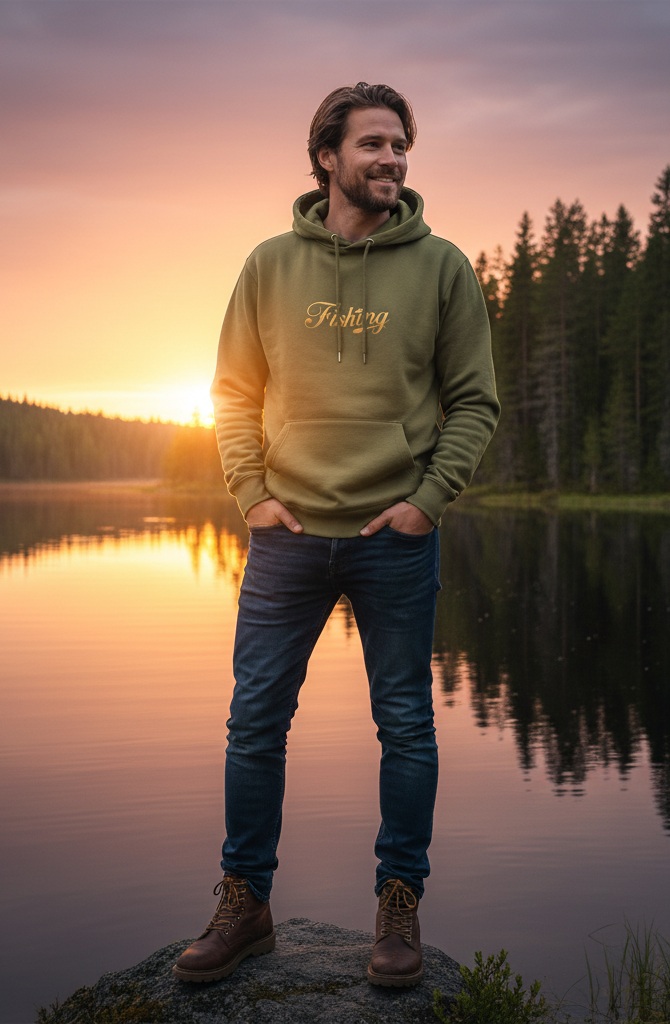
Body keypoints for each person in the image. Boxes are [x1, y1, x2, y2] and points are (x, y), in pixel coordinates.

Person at [172, 82, 499, 988]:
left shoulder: (442, 268)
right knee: (254, 723)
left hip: (395, 536)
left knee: (406, 725)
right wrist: (250, 492)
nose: (392, 159)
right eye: (373, 144)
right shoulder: (270, 265)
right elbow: (233, 392)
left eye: (400, 145)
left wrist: (428, 500)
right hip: (286, 536)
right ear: (327, 158)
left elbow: (476, 401)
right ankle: (246, 901)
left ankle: (398, 905)